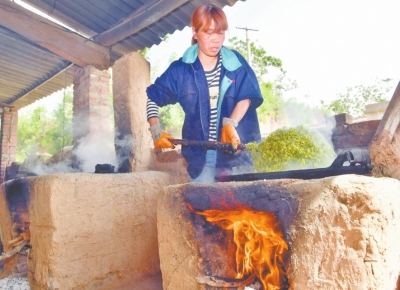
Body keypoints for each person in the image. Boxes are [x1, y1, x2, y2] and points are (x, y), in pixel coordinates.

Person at [146, 4, 263, 182]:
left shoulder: (235, 62)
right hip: (201, 162)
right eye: (208, 33)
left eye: (221, 32)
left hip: (236, 159)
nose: (216, 40)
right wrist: (155, 131)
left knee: (241, 208)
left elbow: (246, 96)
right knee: (203, 207)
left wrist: (230, 124)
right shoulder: (181, 70)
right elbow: (152, 99)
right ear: (195, 32)